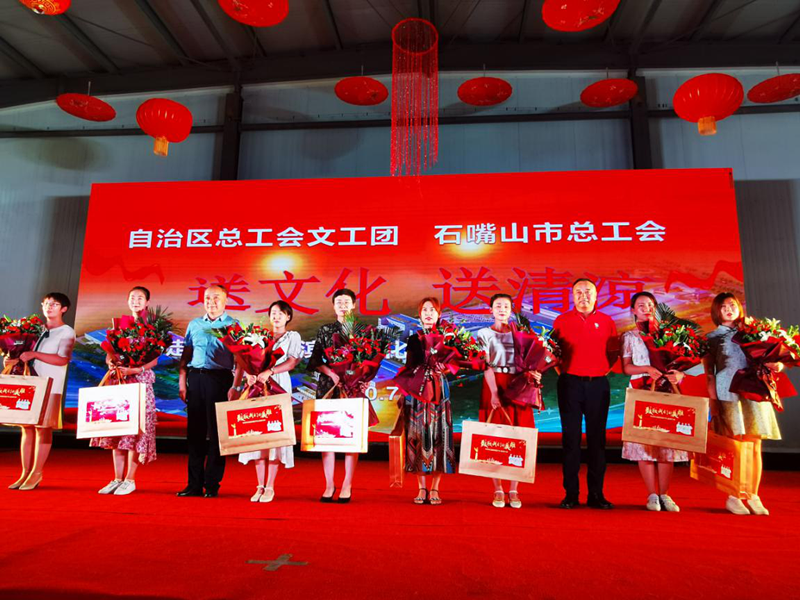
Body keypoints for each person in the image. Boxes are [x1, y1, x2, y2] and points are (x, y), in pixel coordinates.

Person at [703, 292, 781, 516]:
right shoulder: (711, 337)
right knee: (735, 446)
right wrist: (713, 401)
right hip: (728, 391)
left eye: (732, 305)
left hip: (754, 388)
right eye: (723, 306)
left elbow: (771, 357)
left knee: (754, 444)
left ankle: (753, 494)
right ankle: (734, 496)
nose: (729, 309)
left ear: (739, 308)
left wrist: (778, 365)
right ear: (716, 311)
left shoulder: (754, 332)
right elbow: (709, 374)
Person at [552, 278, 619, 509]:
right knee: (570, 440)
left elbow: (613, 354)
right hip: (569, 384)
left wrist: (597, 371)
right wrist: (566, 373)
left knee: (597, 441)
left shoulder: (606, 321)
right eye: (578, 292)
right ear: (572, 296)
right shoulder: (561, 321)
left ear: (596, 295)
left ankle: (596, 494)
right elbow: (554, 353)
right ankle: (571, 494)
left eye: (588, 291)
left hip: (597, 385)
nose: (584, 296)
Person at [620, 291, 687, 512]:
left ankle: (665, 494)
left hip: (666, 392)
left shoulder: (669, 334)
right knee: (644, 444)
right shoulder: (629, 337)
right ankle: (651, 494)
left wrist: (680, 375)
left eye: (650, 304)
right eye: (640, 305)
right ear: (633, 310)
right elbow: (626, 367)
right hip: (641, 392)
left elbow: (681, 364)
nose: (646, 308)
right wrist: (647, 369)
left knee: (667, 445)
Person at [91, 286, 159, 496]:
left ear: (147, 302)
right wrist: (111, 362)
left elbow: (154, 359)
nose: (136, 301)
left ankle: (130, 479)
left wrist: (136, 369)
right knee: (118, 429)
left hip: (140, 381)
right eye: (132, 297)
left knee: (135, 431)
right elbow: (110, 352)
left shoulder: (153, 326)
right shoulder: (119, 326)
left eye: (140, 298)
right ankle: (117, 478)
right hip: (120, 381)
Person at [5, 292, 75, 491]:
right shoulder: (34, 330)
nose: (49, 307)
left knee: (43, 428)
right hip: (29, 384)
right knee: (26, 427)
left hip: (50, 385)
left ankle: (37, 472)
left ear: (64, 309)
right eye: (46, 304)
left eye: (54, 304)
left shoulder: (67, 331)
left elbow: (63, 359)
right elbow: (22, 355)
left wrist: (34, 354)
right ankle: (25, 472)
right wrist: (11, 359)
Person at [177, 284, 242, 498]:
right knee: (195, 434)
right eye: (207, 297)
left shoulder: (233, 325)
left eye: (216, 298)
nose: (211, 302)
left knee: (217, 434)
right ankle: (193, 484)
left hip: (220, 380)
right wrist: (182, 383)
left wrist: (235, 386)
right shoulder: (194, 324)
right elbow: (185, 356)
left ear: (225, 301)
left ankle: (212, 485)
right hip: (196, 378)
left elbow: (240, 360)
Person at [477, 293, 540, 509]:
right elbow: (486, 366)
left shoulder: (521, 333)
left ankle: (513, 489)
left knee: (519, 435)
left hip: (518, 384)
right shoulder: (484, 334)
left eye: (506, 306)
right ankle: (497, 488)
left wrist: (535, 373)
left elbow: (533, 359)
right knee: (495, 437)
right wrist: (494, 393)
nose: (502, 309)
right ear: (491, 310)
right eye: (498, 306)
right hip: (494, 384)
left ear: (511, 310)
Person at [239, 301, 302, 503]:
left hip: (278, 384)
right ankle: (259, 485)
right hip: (258, 385)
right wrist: (249, 374)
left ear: (288, 317)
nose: (276, 317)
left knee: (275, 436)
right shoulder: (260, 337)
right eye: (273, 313)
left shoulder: (293, 337)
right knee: (258, 435)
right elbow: (245, 361)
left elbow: (291, 362)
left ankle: (270, 486)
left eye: (281, 313)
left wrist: (270, 371)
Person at [399, 297, 456, 506]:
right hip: (418, 391)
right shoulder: (414, 339)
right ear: (420, 314)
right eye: (425, 310)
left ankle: (435, 488)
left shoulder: (448, 337)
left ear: (439, 314)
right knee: (418, 436)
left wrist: (444, 369)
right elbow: (409, 367)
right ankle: (421, 487)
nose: (429, 313)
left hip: (440, 390)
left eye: (433, 310)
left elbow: (455, 362)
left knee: (440, 435)